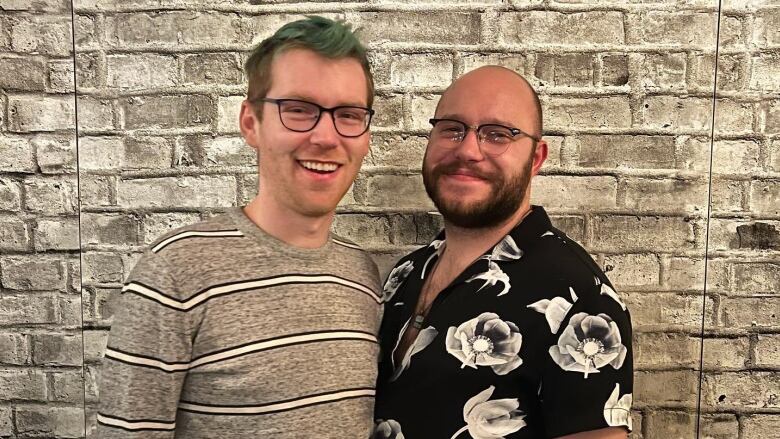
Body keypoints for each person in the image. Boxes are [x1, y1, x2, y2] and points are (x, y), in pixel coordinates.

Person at [97, 16, 383, 438]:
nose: (326, 136)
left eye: (348, 114)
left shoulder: (363, 275)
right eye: (299, 110)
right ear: (251, 123)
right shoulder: (176, 271)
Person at [373, 66, 633, 439]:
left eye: (498, 135)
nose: (467, 150)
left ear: (536, 159)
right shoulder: (406, 272)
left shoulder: (580, 297)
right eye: (452, 128)